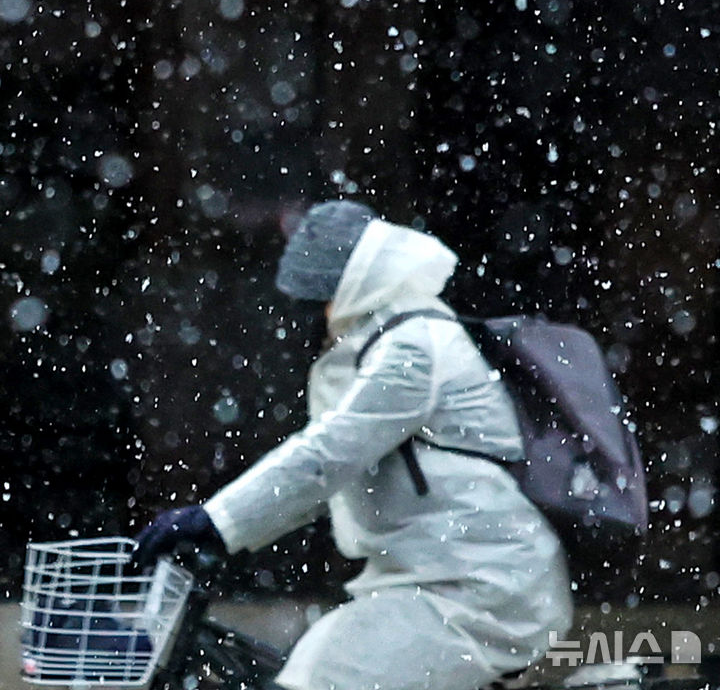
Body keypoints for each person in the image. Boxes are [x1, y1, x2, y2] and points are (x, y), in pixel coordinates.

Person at [135, 200, 573, 690]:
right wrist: (230, 527)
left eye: (322, 296)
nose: (319, 313)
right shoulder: (391, 338)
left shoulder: (414, 344)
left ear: (351, 287)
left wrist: (218, 521)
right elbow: (328, 476)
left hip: (478, 591)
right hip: (444, 582)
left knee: (322, 674)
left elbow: (331, 454)